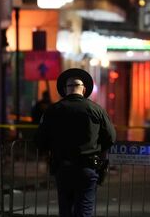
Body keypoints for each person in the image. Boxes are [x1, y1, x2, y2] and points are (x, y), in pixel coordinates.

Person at [36, 68, 116, 217]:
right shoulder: (96, 110)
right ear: (84, 90)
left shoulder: (53, 110)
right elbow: (111, 137)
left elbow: (40, 139)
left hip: (63, 167)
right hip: (87, 167)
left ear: (65, 90)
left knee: (65, 211)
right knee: (84, 211)